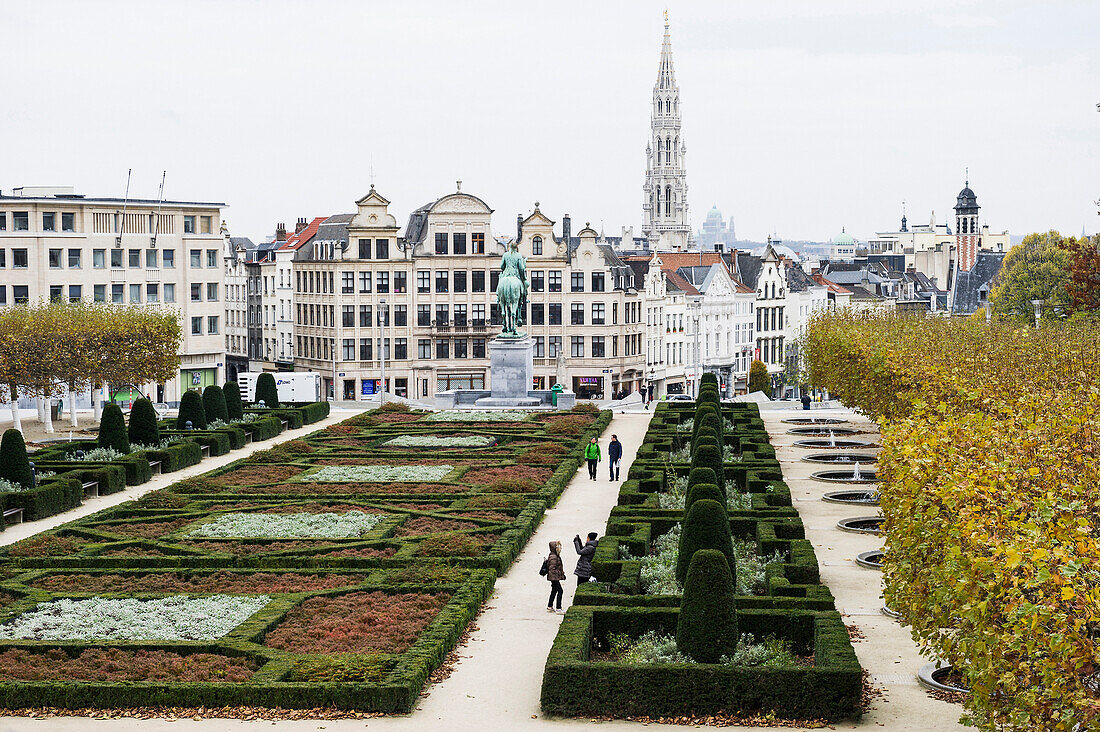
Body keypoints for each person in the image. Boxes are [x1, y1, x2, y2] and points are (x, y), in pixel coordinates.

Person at [545, 541, 566, 612]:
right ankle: (558, 608)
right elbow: (552, 569)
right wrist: (560, 574)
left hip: (554, 577)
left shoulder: (554, 555)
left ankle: (550, 606)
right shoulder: (554, 557)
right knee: (560, 591)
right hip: (554, 577)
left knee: (554, 591)